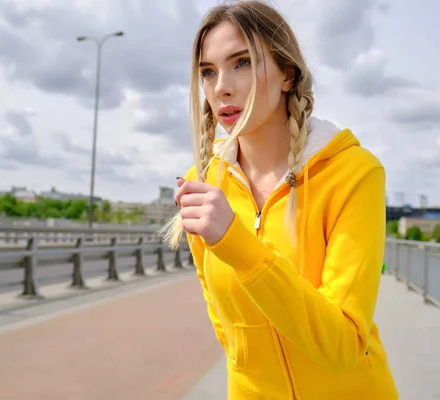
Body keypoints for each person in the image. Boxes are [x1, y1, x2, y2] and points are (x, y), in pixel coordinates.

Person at [159, 1, 399, 398]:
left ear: (287, 74)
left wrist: (237, 243)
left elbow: (342, 347)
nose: (221, 87)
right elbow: (226, 329)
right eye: (208, 71)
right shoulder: (201, 183)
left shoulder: (353, 173)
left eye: (242, 62)